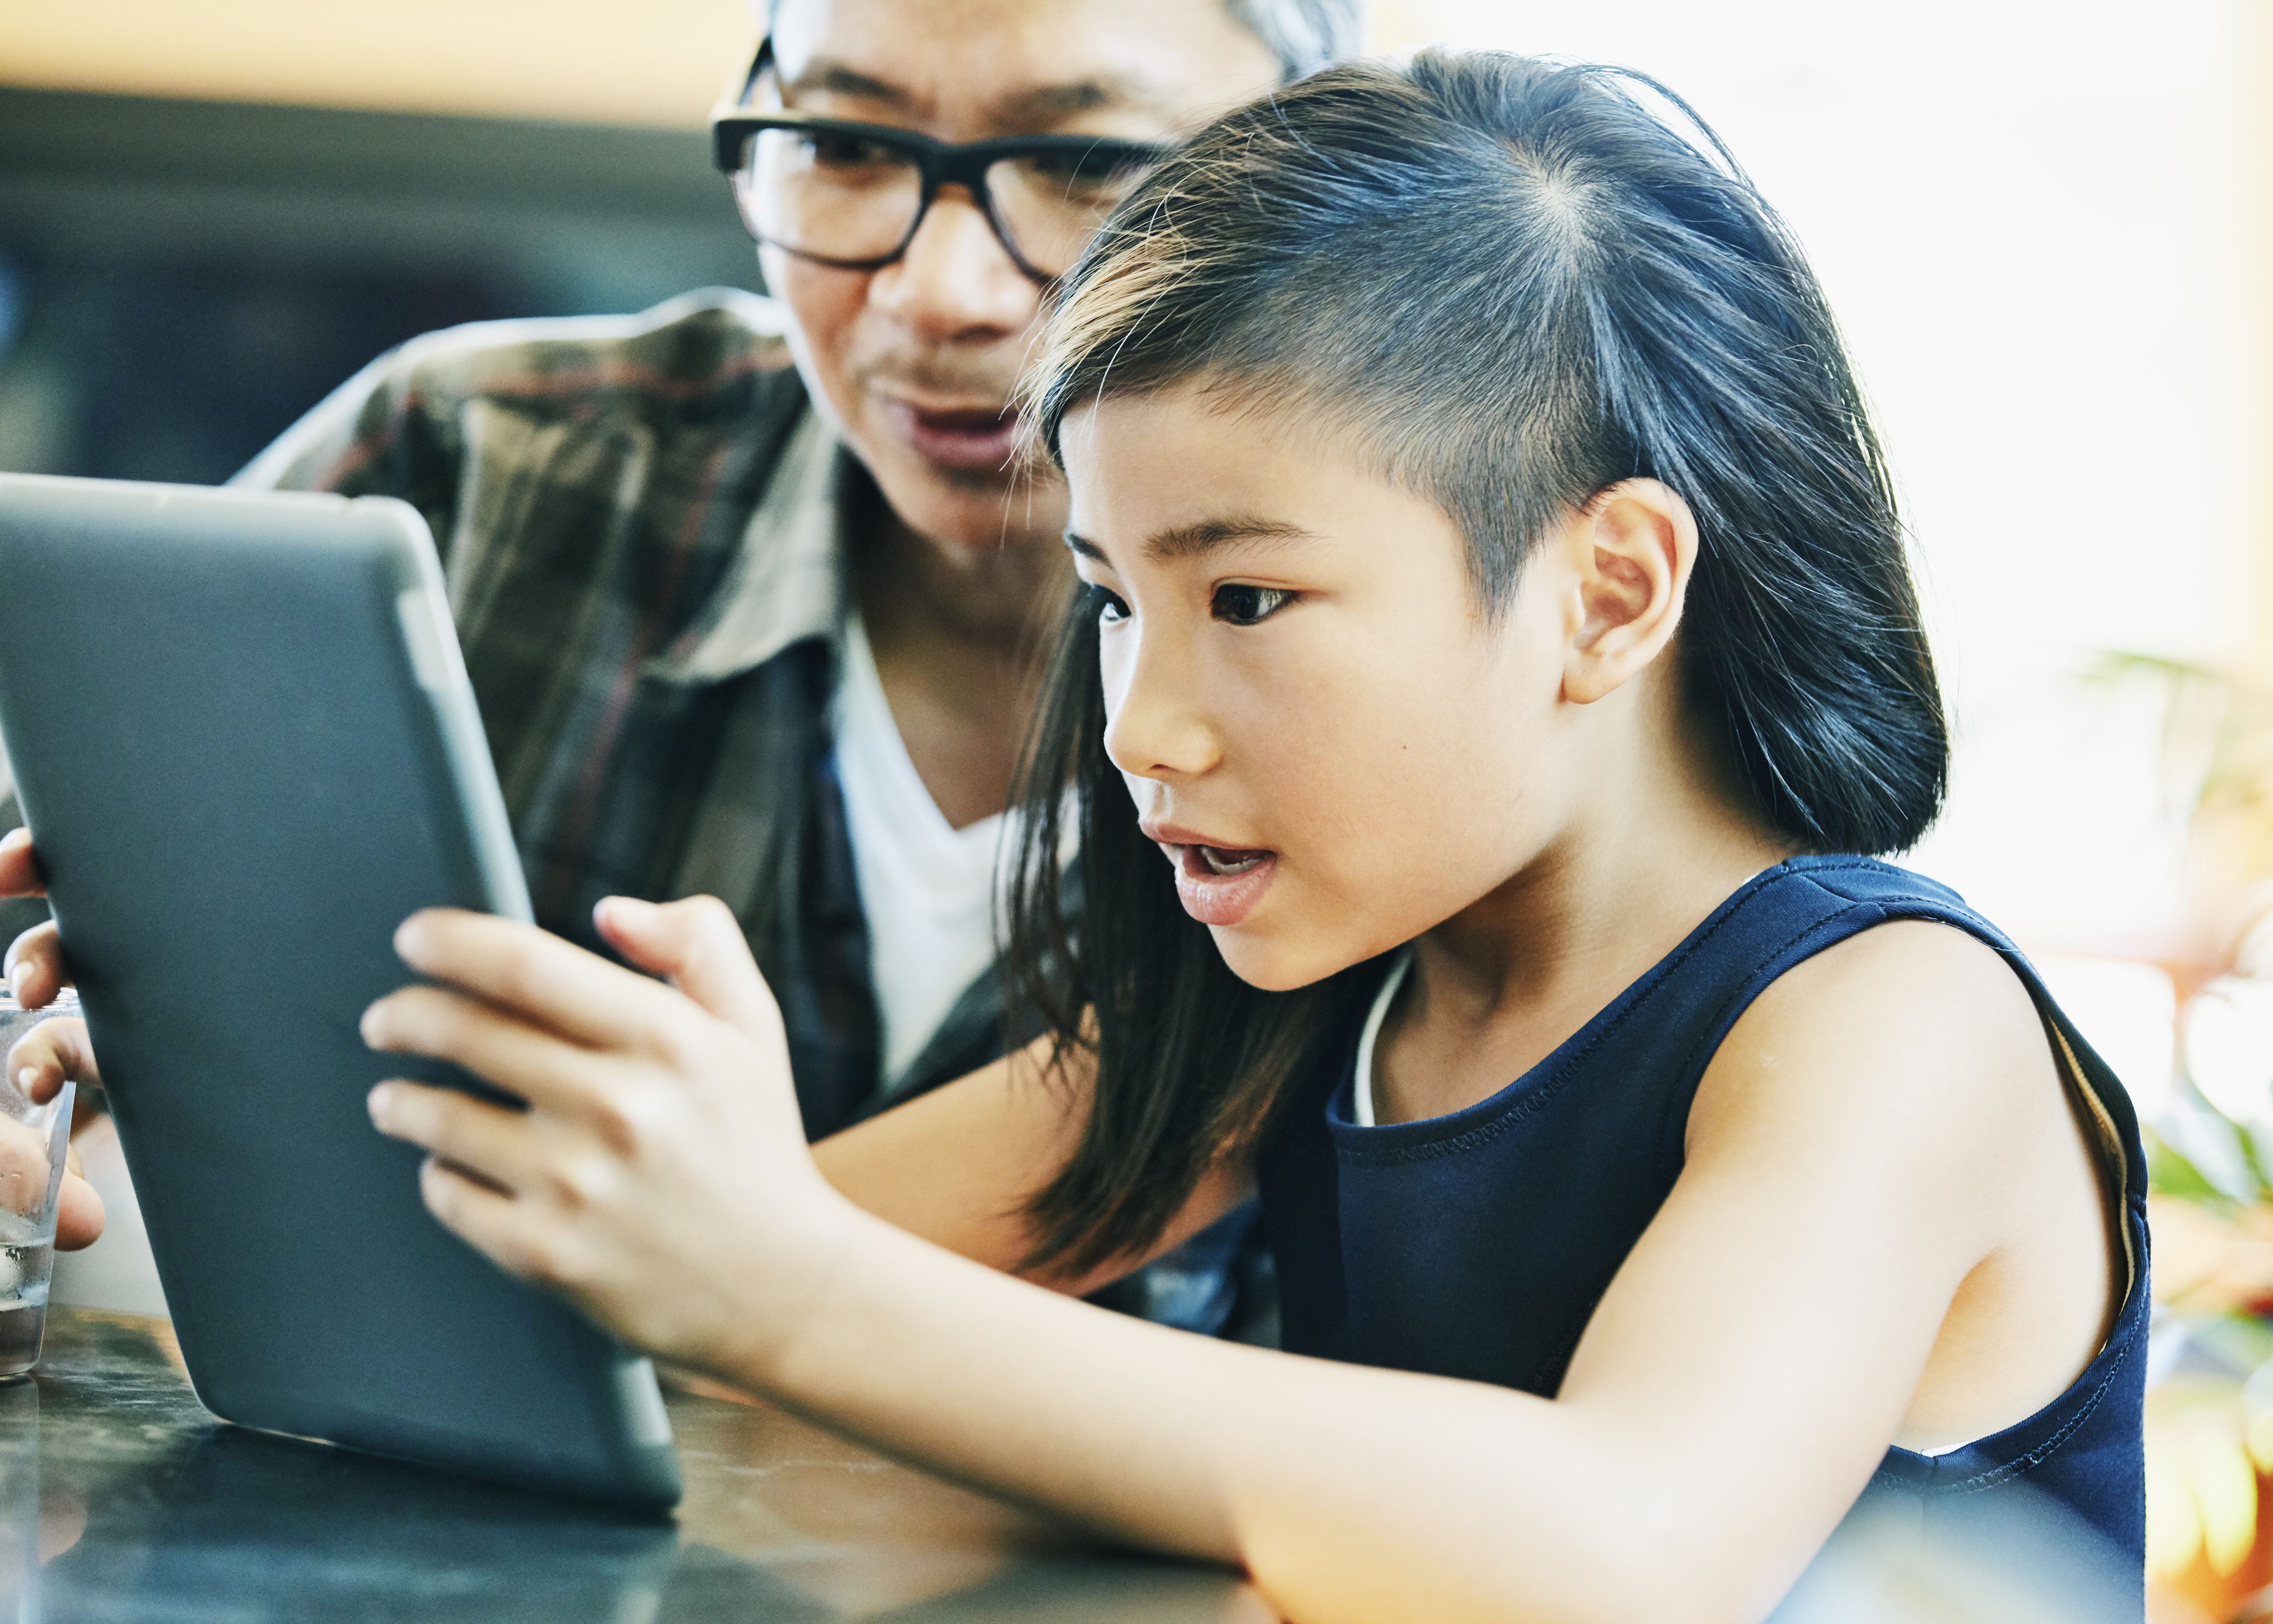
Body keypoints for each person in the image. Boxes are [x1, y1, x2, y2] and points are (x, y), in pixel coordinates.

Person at [12, 51, 2148, 1620]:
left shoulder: (1886, 1018)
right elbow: (654, 1307)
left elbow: (1612, 1544)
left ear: (1605, 590)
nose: (1135, 722)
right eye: (1117, 601)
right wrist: (200, 1102)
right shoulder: (1323, 996)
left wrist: (786, 1273)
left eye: (1246, 599)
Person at [0, 0, 1359, 1325]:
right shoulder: (472, 472)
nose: (936, 293)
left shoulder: (1421, 674)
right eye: (841, 146)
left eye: (1084, 165)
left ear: (1328, 160)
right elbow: (44, 922)